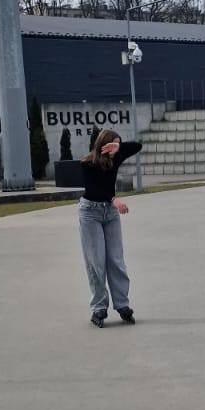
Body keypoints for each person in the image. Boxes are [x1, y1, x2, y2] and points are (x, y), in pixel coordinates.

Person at [77, 131, 140, 327]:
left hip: (110, 214)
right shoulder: (87, 163)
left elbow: (138, 145)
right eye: (112, 143)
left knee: (116, 260)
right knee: (96, 262)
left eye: (117, 144)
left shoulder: (116, 155)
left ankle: (122, 305)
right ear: (102, 144)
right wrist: (113, 199)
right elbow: (95, 189)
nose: (115, 148)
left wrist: (120, 147)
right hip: (90, 213)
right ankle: (98, 308)